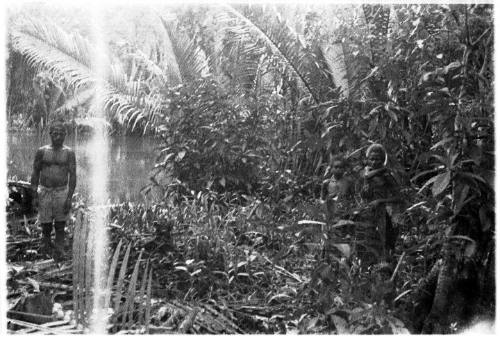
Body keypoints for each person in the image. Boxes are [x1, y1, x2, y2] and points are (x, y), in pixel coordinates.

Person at [31, 120, 76, 261]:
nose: (58, 136)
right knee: (45, 225)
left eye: (61, 133)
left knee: (60, 225)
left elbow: (73, 175)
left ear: (65, 135)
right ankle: (45, 250)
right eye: (55, 133)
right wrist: (34, 195)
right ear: (50, 134)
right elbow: (35, 173)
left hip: (61, 192)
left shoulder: (69, 153)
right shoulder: (42, 151)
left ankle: (59, 252)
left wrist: (69, 197)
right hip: (45, 191)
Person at [359, 143, 401, 262]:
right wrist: (365, 188)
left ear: (383, 160)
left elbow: (399, 197)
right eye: (371, 159)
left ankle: (385, 265)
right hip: (368, 212)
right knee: (368, 241)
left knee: (384, 242)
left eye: (377, 159)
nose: (374, 162)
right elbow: (363, 195)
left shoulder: (387, 175)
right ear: (368, 160)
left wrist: (380, 201)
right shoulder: (366, 174)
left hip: (384, 214)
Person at [325, 155, 355, 222]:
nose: (338, 169)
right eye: (336, 167)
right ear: (331, 168)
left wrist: (352, 212)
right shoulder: (326, 183)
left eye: (341, 167)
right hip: (331, 214)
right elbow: (322, 200)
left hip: (345, 214)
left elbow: (353, 197)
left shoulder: (349, 182)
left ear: (344, 169)